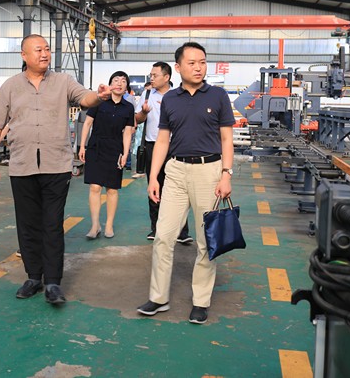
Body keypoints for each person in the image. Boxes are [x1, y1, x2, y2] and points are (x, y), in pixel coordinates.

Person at [0, 34, 114, 305]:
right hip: (22, 164)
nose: (44, 54)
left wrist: (100, 96)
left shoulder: (63, 81)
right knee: (27, 224)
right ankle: (34, 277)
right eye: (38, 50)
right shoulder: (10, 86)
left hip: (56, 164)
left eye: (46, 49)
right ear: (24, 55)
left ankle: (53, 282)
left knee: (52, 223)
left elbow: (85, 97)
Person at [137, 42, 234, 325]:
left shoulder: (218, 96)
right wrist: (153, 177)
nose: (198, 67)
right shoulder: (170, 99)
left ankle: (201, 301)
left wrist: (226, 174)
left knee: (205, 240)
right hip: (176, 171)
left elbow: (226, 138)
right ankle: (158, 297)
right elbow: (162, 140)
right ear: (178, 68)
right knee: (164, 236)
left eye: (202, 62)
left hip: (209, 171)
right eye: (192, 63)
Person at [134, 62, 192, 244]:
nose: (151, 78)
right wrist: (144, 112)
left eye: (155, 75)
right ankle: (156, 228)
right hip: (153, 146)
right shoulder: (147, 94)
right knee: (154, 185)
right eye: (150, 75)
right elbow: (137, 119)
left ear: (166, 77)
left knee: (179, 188)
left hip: (176, 147)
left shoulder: (178, 96)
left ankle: (182, 231)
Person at [77, 71, 135, 240]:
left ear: (126, 87)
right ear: (110, 84)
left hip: (115, 149)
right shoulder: (99, 101)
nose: (119, 83)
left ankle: (109, 224)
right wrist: (82, 146)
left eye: (123, 81)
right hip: (96, 146)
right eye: (116, 80)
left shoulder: (128, 108)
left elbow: (127, 133)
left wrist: (125, 153)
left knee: (112, 189)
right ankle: (95, 225)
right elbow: (88, 123)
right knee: (95, 187)